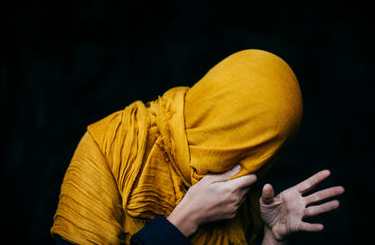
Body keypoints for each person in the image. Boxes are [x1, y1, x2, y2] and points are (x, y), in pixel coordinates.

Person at [51, 49, 344, 244]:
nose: (244, 167)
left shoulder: (242, 200)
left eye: (261, 155)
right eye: (235, 139)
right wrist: (184, 220)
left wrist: (271, 237)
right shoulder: (112, 147)